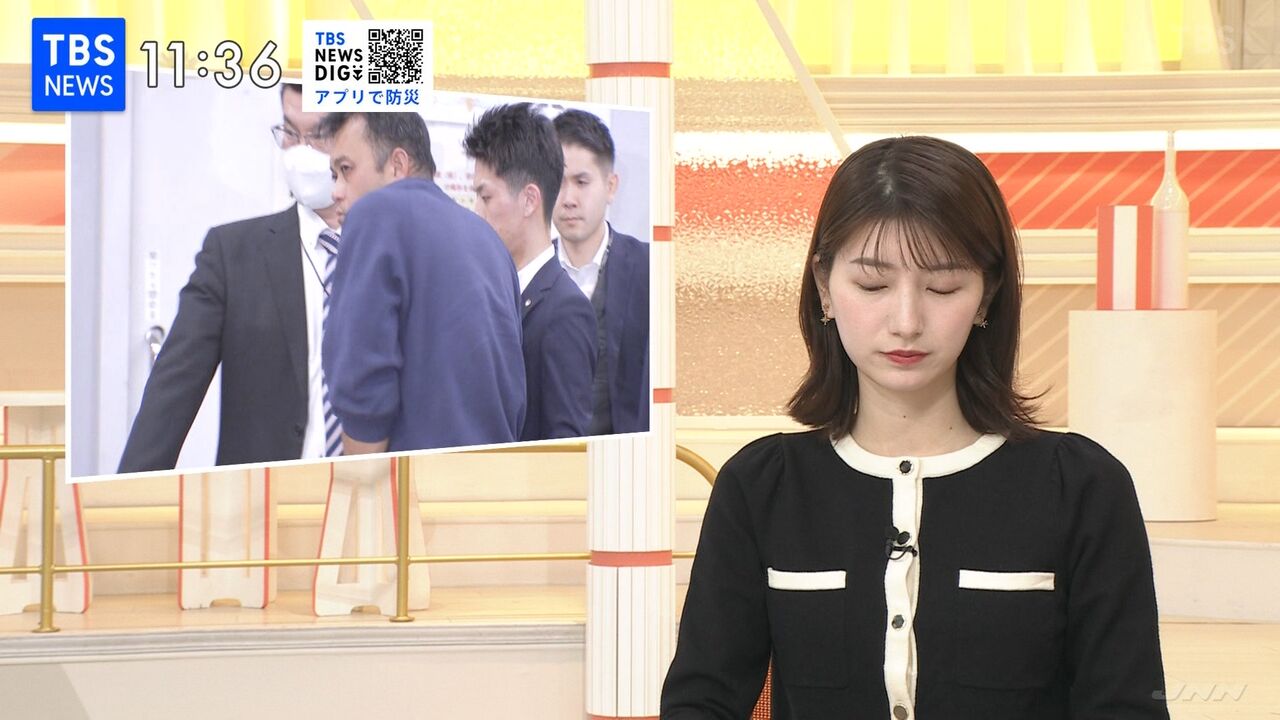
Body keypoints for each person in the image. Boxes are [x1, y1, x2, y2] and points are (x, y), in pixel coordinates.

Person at [661, 137, 1169, 719]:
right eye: (873, 286)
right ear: (825, 286)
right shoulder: (762, 486)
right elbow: (701, 703)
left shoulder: (1081, 486)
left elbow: (1126, 707)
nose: (906, 322)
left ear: (987, 294)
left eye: (943, 287)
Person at [119, 83, 344, 472]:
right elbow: (171, 394)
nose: (301, 151)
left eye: (319, 134)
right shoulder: (232, 254)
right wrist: (125, 493)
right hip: (262, 495)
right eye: (291, 132)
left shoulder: (395, 250)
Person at [317, 111, 525, 454]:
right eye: (333, 174)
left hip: (407, 477)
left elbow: (362, 380)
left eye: (346, 169)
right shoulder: (490, 240)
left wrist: (361, 480)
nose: (336, 191)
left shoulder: (375, 213)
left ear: (397, 164)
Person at [464, 103, 596, 441]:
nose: (476, 212)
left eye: (485, 197)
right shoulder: (487, 295)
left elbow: (565, 447)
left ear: (529, 200)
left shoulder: (566, 312)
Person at [552, 109, 650, 435]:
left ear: (610, 186)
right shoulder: (521, 276)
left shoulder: (650, 270)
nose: (568, 199)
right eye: (556, 182)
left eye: (582, 182)